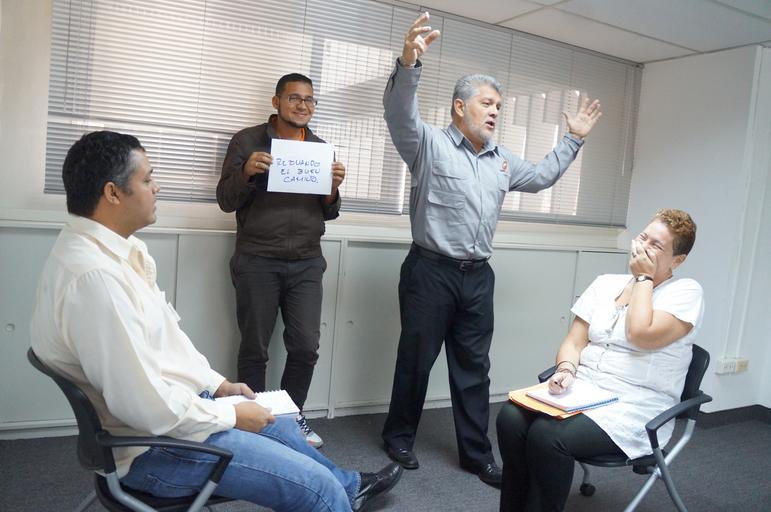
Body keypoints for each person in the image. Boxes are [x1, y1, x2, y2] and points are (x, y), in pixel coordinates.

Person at [30, 131, 401, 512]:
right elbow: (145, 407)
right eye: (147, 179)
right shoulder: (96, 278)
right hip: (154, 448)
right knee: (317, 490)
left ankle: (347, 487)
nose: (157, 187)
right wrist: (230, 414)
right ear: (112, 193)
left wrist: (217, 385)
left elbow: (169, 343)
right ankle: (334, 494)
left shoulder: (114, 252)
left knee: (280, 423)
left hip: (171, 414)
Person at [380, 12, 602, 487]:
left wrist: (573, 139)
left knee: (474, 369)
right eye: (487, 103)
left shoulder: (502, 161)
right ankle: (398, 437)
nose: (495, 111)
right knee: (416, 361)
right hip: (430, 271)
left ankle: (477, 456)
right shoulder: (428, 144)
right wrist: (408, 64)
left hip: (478, 277)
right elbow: (399, 114)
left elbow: (541, 177)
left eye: (499, 105)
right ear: (460, 107)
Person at [496, 209, 703, 511]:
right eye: (643, 237)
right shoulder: (605, 283)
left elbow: (639, 334)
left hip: (636, 407)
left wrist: (643, 277)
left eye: (656, 245)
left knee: (547, 436)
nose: (643, 247)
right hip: (583, 390)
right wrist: (566, 369)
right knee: (510, 418)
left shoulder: (686, 292)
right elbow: (574, 342)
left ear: (678, 260)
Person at [217, 73, 346, 448]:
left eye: (309, 99)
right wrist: (245, 172)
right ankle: (255, 424)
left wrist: (332, 189)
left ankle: (292, 419)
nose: (303, 105)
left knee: (305, 347)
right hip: (257, 258)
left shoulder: (320, 149)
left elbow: (328, 212)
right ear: (276, 102)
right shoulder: (247, 141)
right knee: (254, 348)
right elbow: (225, 200)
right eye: (294, 98)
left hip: (306, 261)